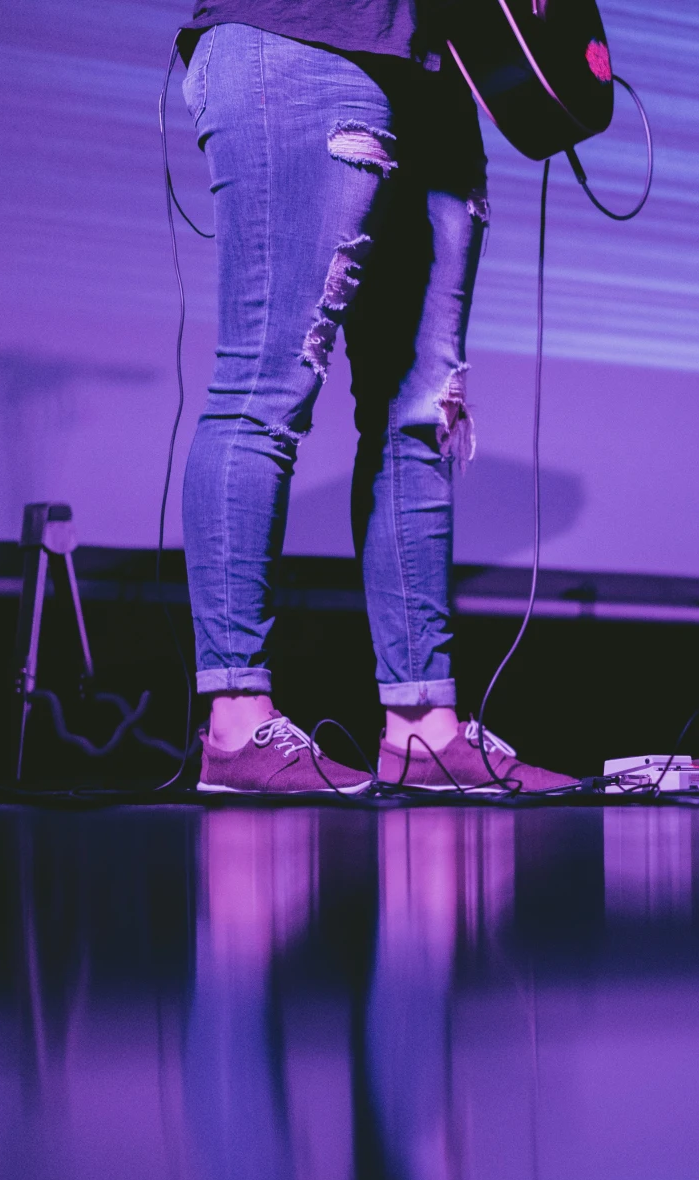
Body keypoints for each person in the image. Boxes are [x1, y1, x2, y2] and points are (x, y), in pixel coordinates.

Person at [177, 1, 574, 794]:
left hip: (436, 71)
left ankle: (423, 728)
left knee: (421, 415)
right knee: (265, 386)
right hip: (301, 38)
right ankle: (233, 722)